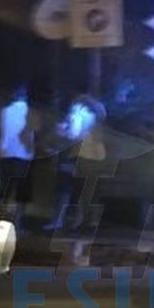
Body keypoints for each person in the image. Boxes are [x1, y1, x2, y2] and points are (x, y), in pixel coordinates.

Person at [45, 95, 108, 232]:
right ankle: (80, 221)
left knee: (64, 189)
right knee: (82, 191)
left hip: (75, 157)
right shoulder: (95, 121)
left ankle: (60, 220)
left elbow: (72, 136)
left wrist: (61, 132)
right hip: (90, 161)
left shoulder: (77, 115)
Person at [0, 87, 37, 220]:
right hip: (24, 156)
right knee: (22, 192)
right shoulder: (30, 112)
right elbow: (30, 134)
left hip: (6, 154)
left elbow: (3, 133)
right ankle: (18, 222)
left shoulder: (4, 111)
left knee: (4, 190)